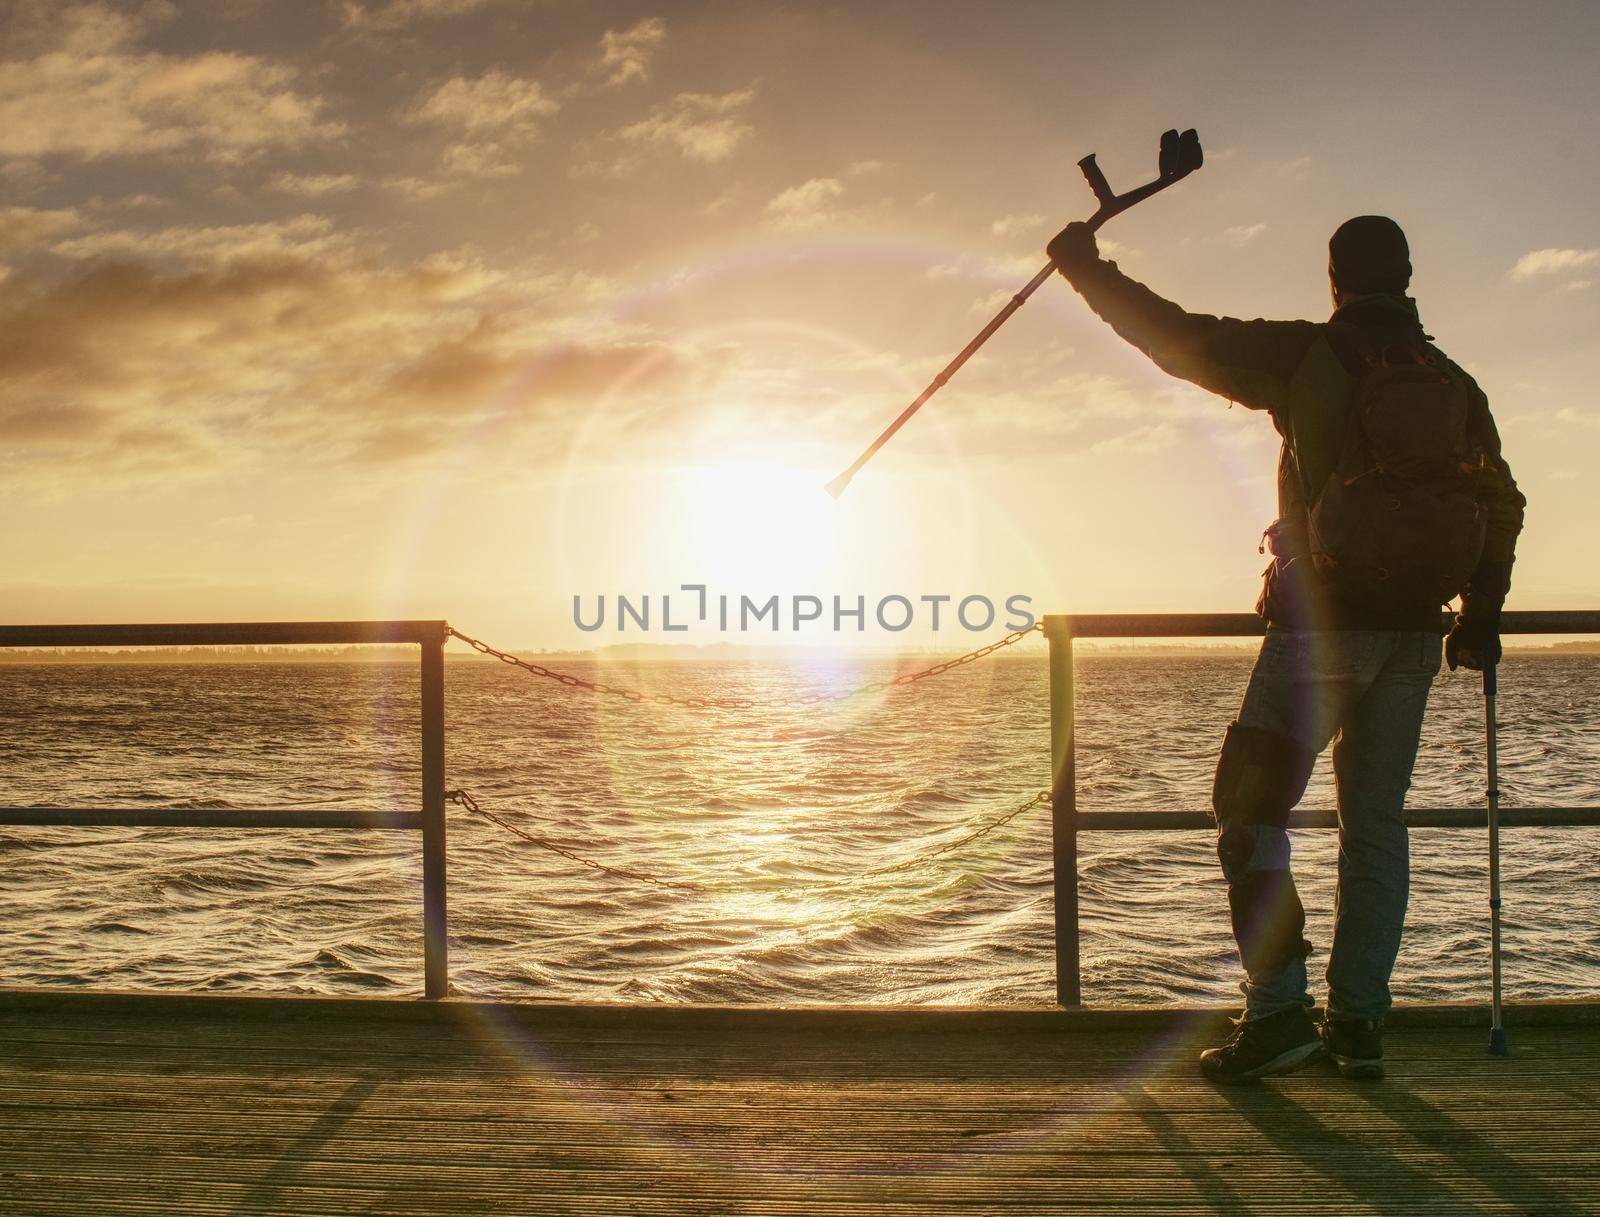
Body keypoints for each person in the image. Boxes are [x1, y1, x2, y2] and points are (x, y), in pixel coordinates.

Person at [1046, 215, 1526, 1083]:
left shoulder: (1309, 356)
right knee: (1375, 823)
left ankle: (1276, 1012)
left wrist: (1084, 268)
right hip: (1418, 635)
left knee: (1247, 808)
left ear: (1335, 278)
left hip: (1321, 633)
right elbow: (1505, 501)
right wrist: (1481, 611)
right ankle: (1360, 1022)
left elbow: (1178, 340)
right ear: (1409, 276)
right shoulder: (1455, 381)